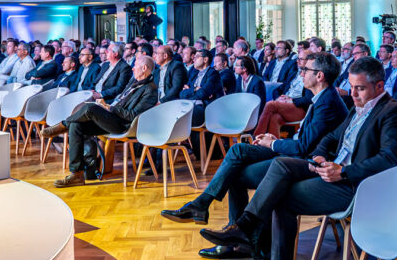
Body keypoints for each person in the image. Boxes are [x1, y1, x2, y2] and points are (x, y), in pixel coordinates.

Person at [203, 57, 397, 260]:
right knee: (282, 164)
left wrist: (344, 171)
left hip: (356, 186)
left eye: (360, 88)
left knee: (282, 196)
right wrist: (320, 155)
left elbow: (389, 160)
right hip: (333, 170)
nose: (353, 94)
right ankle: (246, 229)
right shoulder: (358, 106)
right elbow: (331, 138)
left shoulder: (394, 112)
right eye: (352, 87)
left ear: (380, 86)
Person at [161, 52, 346, 241]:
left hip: (302, 162)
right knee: (238, 150)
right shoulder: (322, 98)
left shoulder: (327, 103)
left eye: (305, 69)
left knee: (235, 173)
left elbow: (304, 148)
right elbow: (305, 139)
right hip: (296, 152)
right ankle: (204, 206)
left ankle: (232, 233)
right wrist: (273, 139)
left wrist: (273, 143)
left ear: (319, 76)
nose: (301, 73)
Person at [43, 56, 158, 187]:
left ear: (144, 68)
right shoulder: (134, 81)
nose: (132, 68)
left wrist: (110, 108)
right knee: (76, 125)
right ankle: (77, 174)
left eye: (135, 65)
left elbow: (133, 116)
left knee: (90, 108)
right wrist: (107, 106)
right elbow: (120, 100)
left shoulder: (150, 90)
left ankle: (63, 125)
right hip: (113, 117)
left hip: (124, 125)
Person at [253, 47, 309, 136]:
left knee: (270, 105)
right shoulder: (294, 74)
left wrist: (292, 100)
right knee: (275, 117)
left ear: (309, 61)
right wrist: (279, 98)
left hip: (300, 108)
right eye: (297, 58)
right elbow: (277, 90)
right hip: (285, 105)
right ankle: (271, 143)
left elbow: (310, 98)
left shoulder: (312, 77)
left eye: (301, 59)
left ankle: (256, 137)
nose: (297, 61)